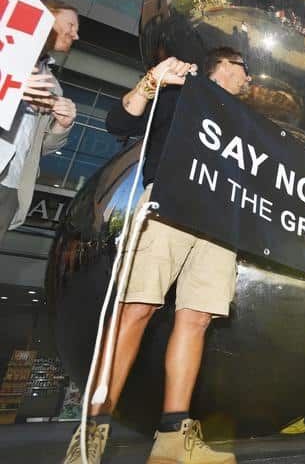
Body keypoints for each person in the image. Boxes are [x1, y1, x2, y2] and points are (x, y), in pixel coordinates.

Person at [63, 47, 251, 464]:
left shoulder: (244, 121)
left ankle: (172, 437)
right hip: (170, 201)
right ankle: (91, 431)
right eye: (245, 70)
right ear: (223, 65)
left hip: (221, 218)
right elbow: (119, 121)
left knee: (197, 318)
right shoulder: (181, 90)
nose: (249, 80)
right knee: (137, 306)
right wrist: (152, 81)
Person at [1, 0, 78, 243]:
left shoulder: (52, 85)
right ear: (47, 17)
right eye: (71, 25)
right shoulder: (6, 54)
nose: (75, 35)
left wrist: (61, 126)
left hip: (11, 185)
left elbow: (40, 149)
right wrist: (11, 87)